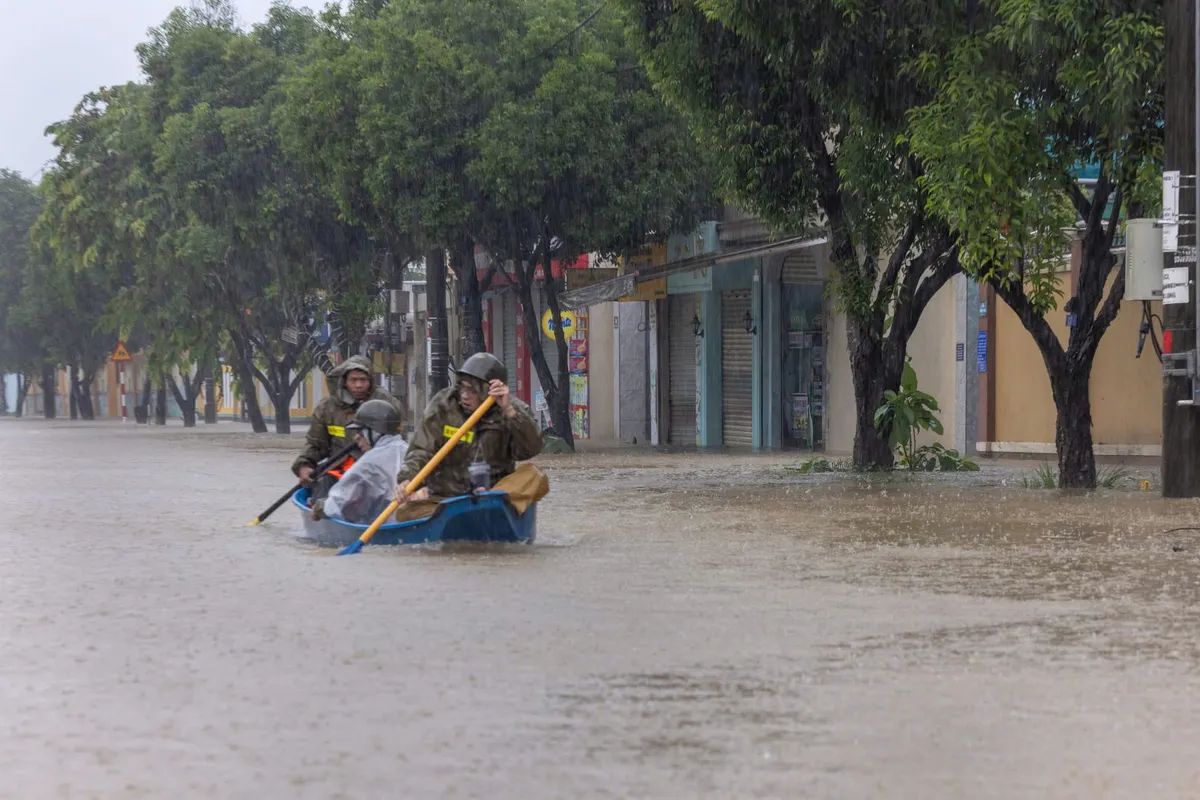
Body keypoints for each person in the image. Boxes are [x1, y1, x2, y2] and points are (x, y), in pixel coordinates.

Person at [393, 352, 548, 522]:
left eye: (472, 390)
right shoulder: (444, 404)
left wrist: (509, 412)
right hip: (446, 500)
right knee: (403, 512)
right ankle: (457, 515)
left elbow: (532, 448)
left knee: (534, 475)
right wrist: (407, 479)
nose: (465, 395)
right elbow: (421, 449)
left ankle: (490, 510)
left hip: (494, 496)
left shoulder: (512, 408)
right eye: (463, 388)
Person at [291, 354, 403, 502]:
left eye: (363, 380)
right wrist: (303, 465)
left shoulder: (386, 402)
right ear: (344, 382)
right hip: (339, 468)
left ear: (370, 381)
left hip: (377, 468)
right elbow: (316, 444)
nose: (358, 385)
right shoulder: (327, 408)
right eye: (353, 380)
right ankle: (321, 511)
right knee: (323, 485)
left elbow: (395, 442)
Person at [311, 399, 408, 524]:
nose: (356, 438)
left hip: (384, 523)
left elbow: (339, 502)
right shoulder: (409, 450)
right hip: (405, 518)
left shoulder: (368, 463)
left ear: (374, 433)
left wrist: (320, 508)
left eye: (360, 431)